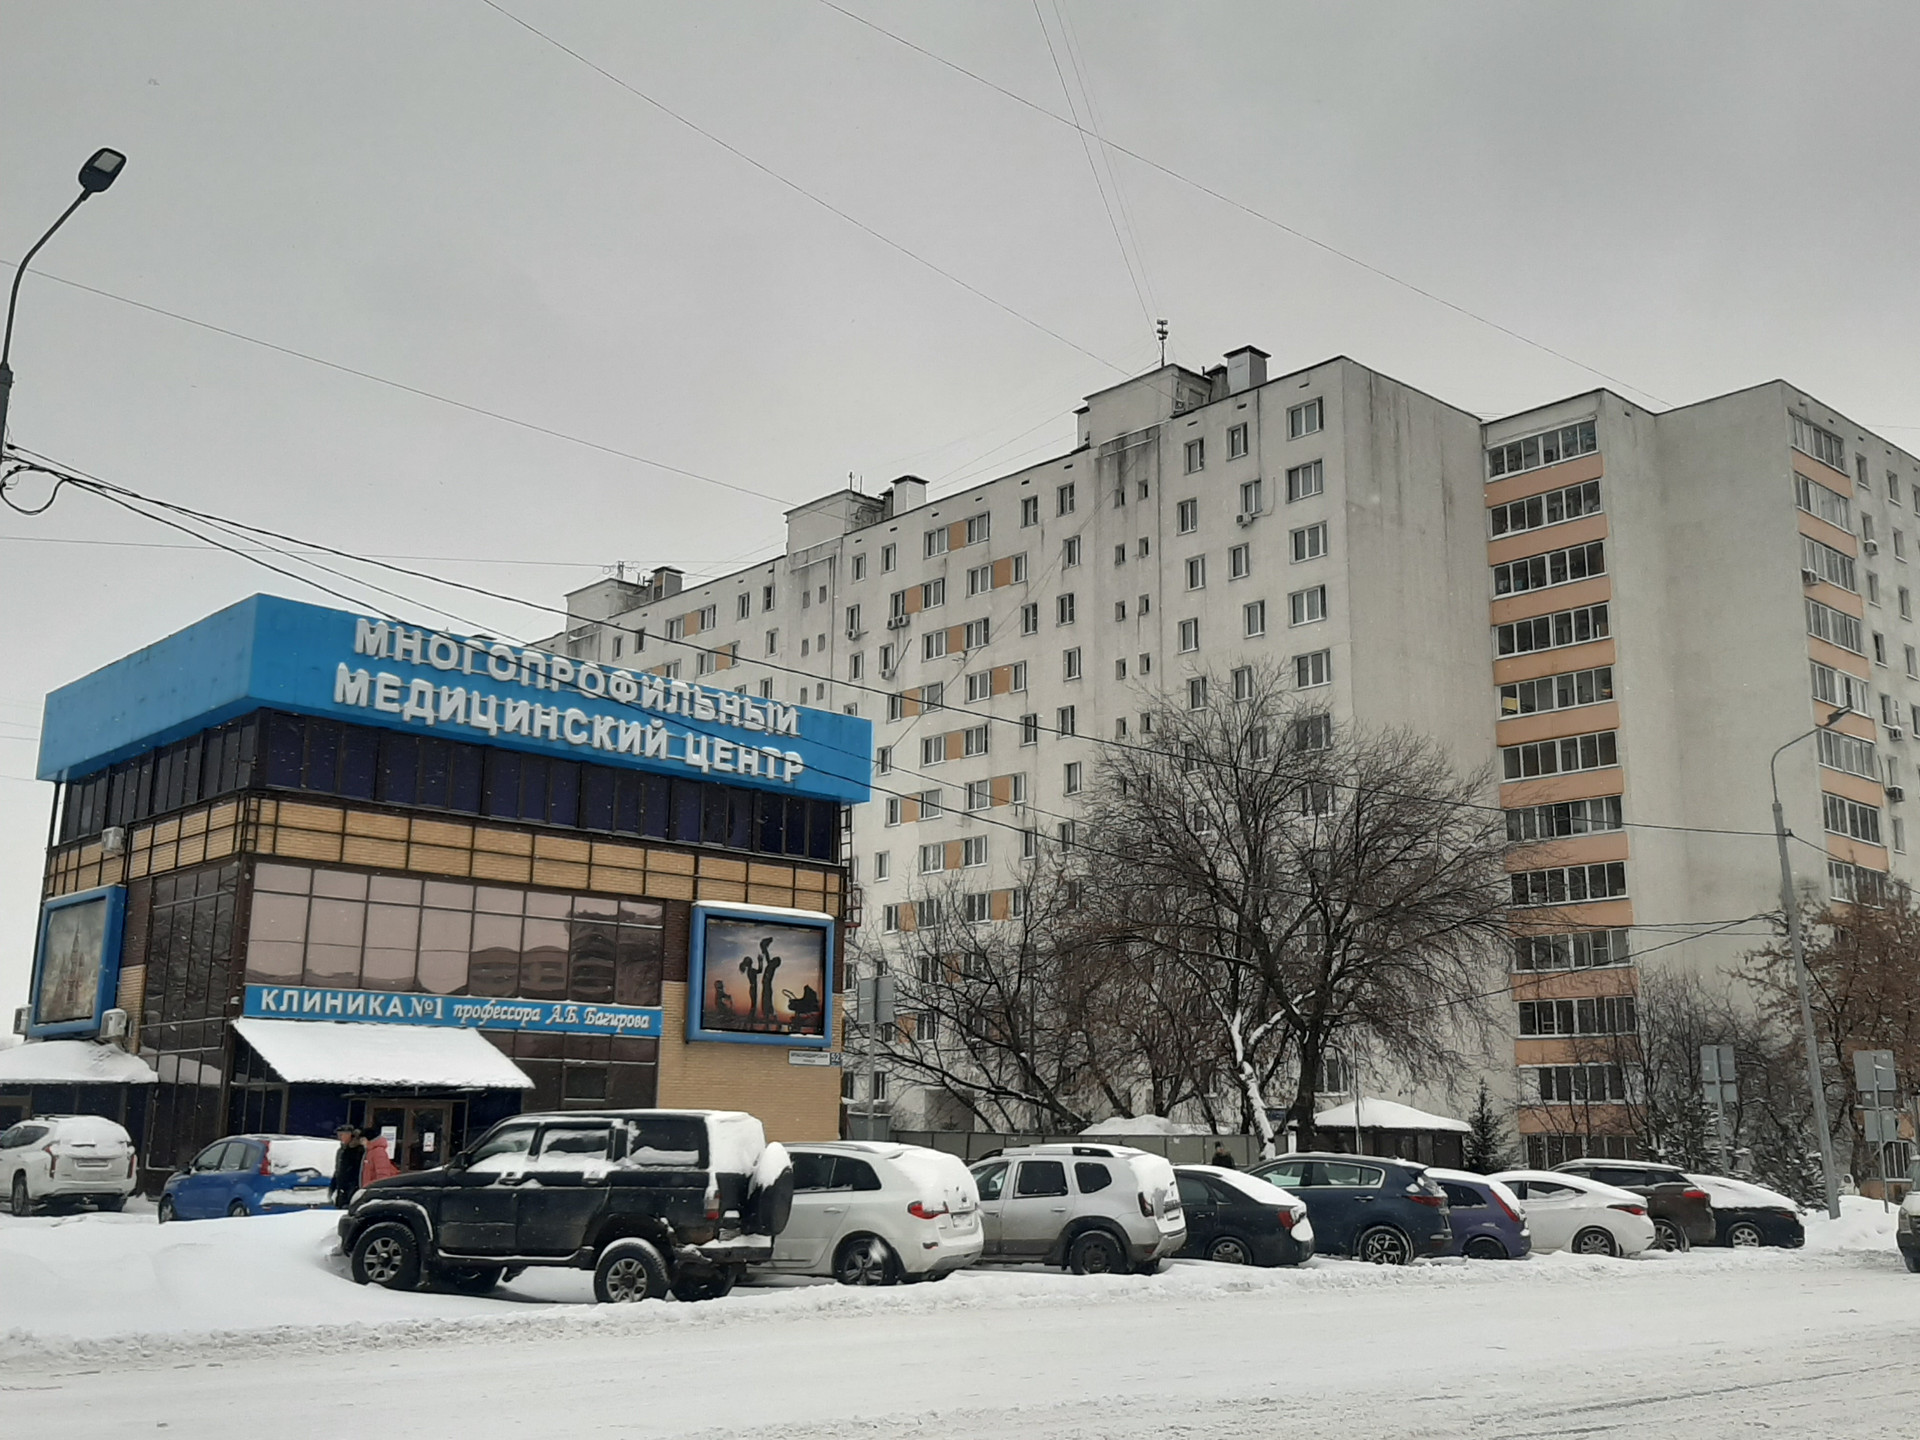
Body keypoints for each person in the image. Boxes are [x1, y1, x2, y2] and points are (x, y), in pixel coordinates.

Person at [330, 1125, 366, 1207]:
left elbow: (359, 1171)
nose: (340, 1137)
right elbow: (338, 1169)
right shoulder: (341, 1150)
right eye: (338, 1135)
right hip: (342, 1187)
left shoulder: (359, 1150)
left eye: (342, 1135)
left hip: (353, 1187)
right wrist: (334, 1184)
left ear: (350, 1135)